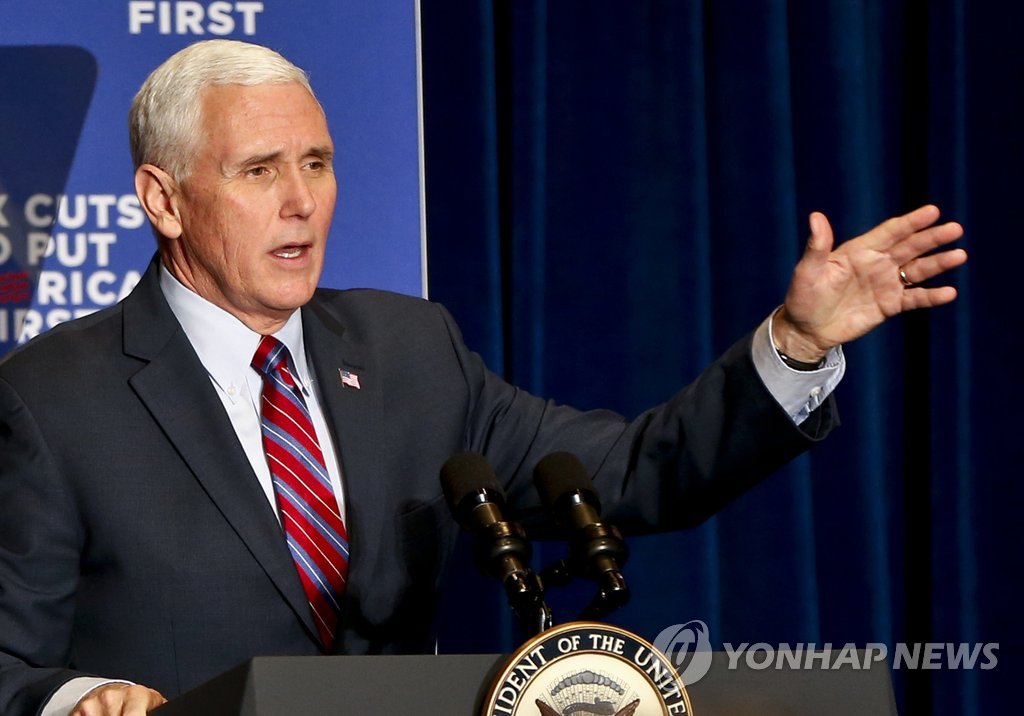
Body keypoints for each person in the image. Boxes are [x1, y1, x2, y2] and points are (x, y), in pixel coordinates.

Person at [0, 39, 966, 716]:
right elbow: (7, 665)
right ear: (164, 199)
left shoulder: (409, 350)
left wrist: (795, 343)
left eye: (317, 163)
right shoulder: (52, 398)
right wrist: (82, 699)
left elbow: (637, 471)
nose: (301, 202)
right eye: (258, 171)